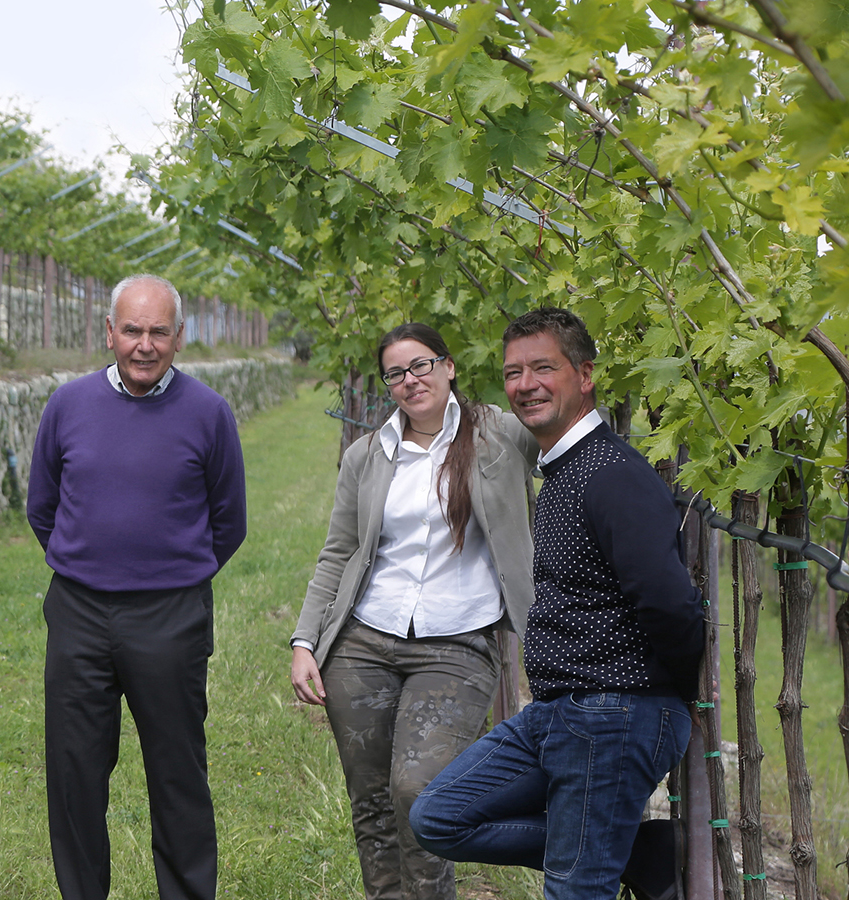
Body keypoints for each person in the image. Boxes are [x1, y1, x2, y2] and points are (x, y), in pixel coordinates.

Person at [409, 307, 703, 900]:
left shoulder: (612, 475)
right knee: (438, 816)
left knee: (574, 891)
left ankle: (606, 851)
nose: (525, 385)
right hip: (557, 712)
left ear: (585, 374)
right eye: (514, 372)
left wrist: (657, 698)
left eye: (544, 367)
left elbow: (671, 605)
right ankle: (632, 850)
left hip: (612, 712)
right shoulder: (564, 470)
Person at [289, 323, 538, 900]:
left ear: (449, 367)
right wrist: (306, 640)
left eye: (421, 365)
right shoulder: (367, 456)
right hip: (363, 643)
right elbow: (339, 552)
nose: (410, 381)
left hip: (458, 647)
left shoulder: (500, 434)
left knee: (420, 792)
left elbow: (566, 449)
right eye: (396, 373)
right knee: (371, 797)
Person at [26, 274, 247, 900]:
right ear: (109, 333)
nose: (143, 345)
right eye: (131, 330)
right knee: (75, 777)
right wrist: (90, 565)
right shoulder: (68, 405)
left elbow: (228, 520)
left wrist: (168, 575)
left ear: (179, 337)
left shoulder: (208, 412)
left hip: (170, 617)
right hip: (78, 613)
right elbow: (43, 506)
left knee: (178, 775)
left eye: (158, 332)